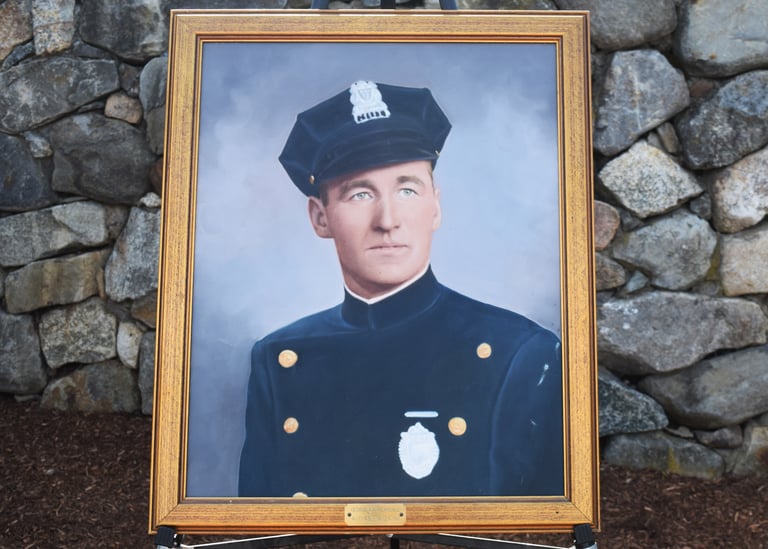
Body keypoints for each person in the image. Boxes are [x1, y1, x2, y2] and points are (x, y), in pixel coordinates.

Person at [238, 80, 563, 498]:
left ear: (436, 205)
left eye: (407, 189)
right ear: (320, 218)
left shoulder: (519, 352)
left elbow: (535, 524)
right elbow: (261, 526)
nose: (388, 220)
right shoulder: (278, 357)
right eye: (359, 193)